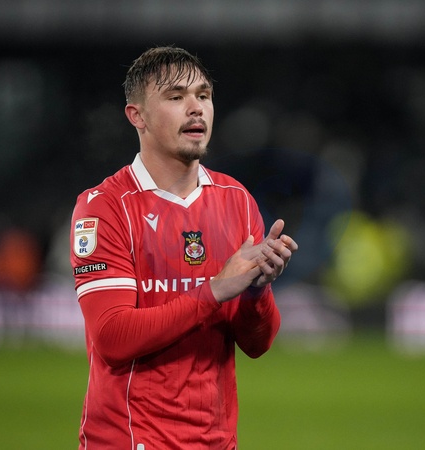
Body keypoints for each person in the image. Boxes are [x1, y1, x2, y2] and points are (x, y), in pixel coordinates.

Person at [69, 46, 298, 449]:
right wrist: (213, 291)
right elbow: (112, 338)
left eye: (203, 95)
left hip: (216, 442)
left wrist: (256, 292)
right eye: (176, 97)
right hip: (131, 440)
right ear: (137, 116)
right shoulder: (105, 207)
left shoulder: (236, 200)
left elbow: (257, 344)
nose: (196, 108)